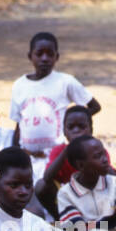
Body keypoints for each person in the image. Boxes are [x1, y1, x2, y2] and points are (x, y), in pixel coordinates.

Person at [9, 32, 99, 179]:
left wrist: (72, 124)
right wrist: (16, 151)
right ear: (30, 56)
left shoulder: (65, 82)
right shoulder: (19, 85)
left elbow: (94, 106)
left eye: (50, 54)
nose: (44, 58)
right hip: (28, 157)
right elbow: (19, 122)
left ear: (56, 57)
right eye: (39, 54)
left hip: (56, 156)